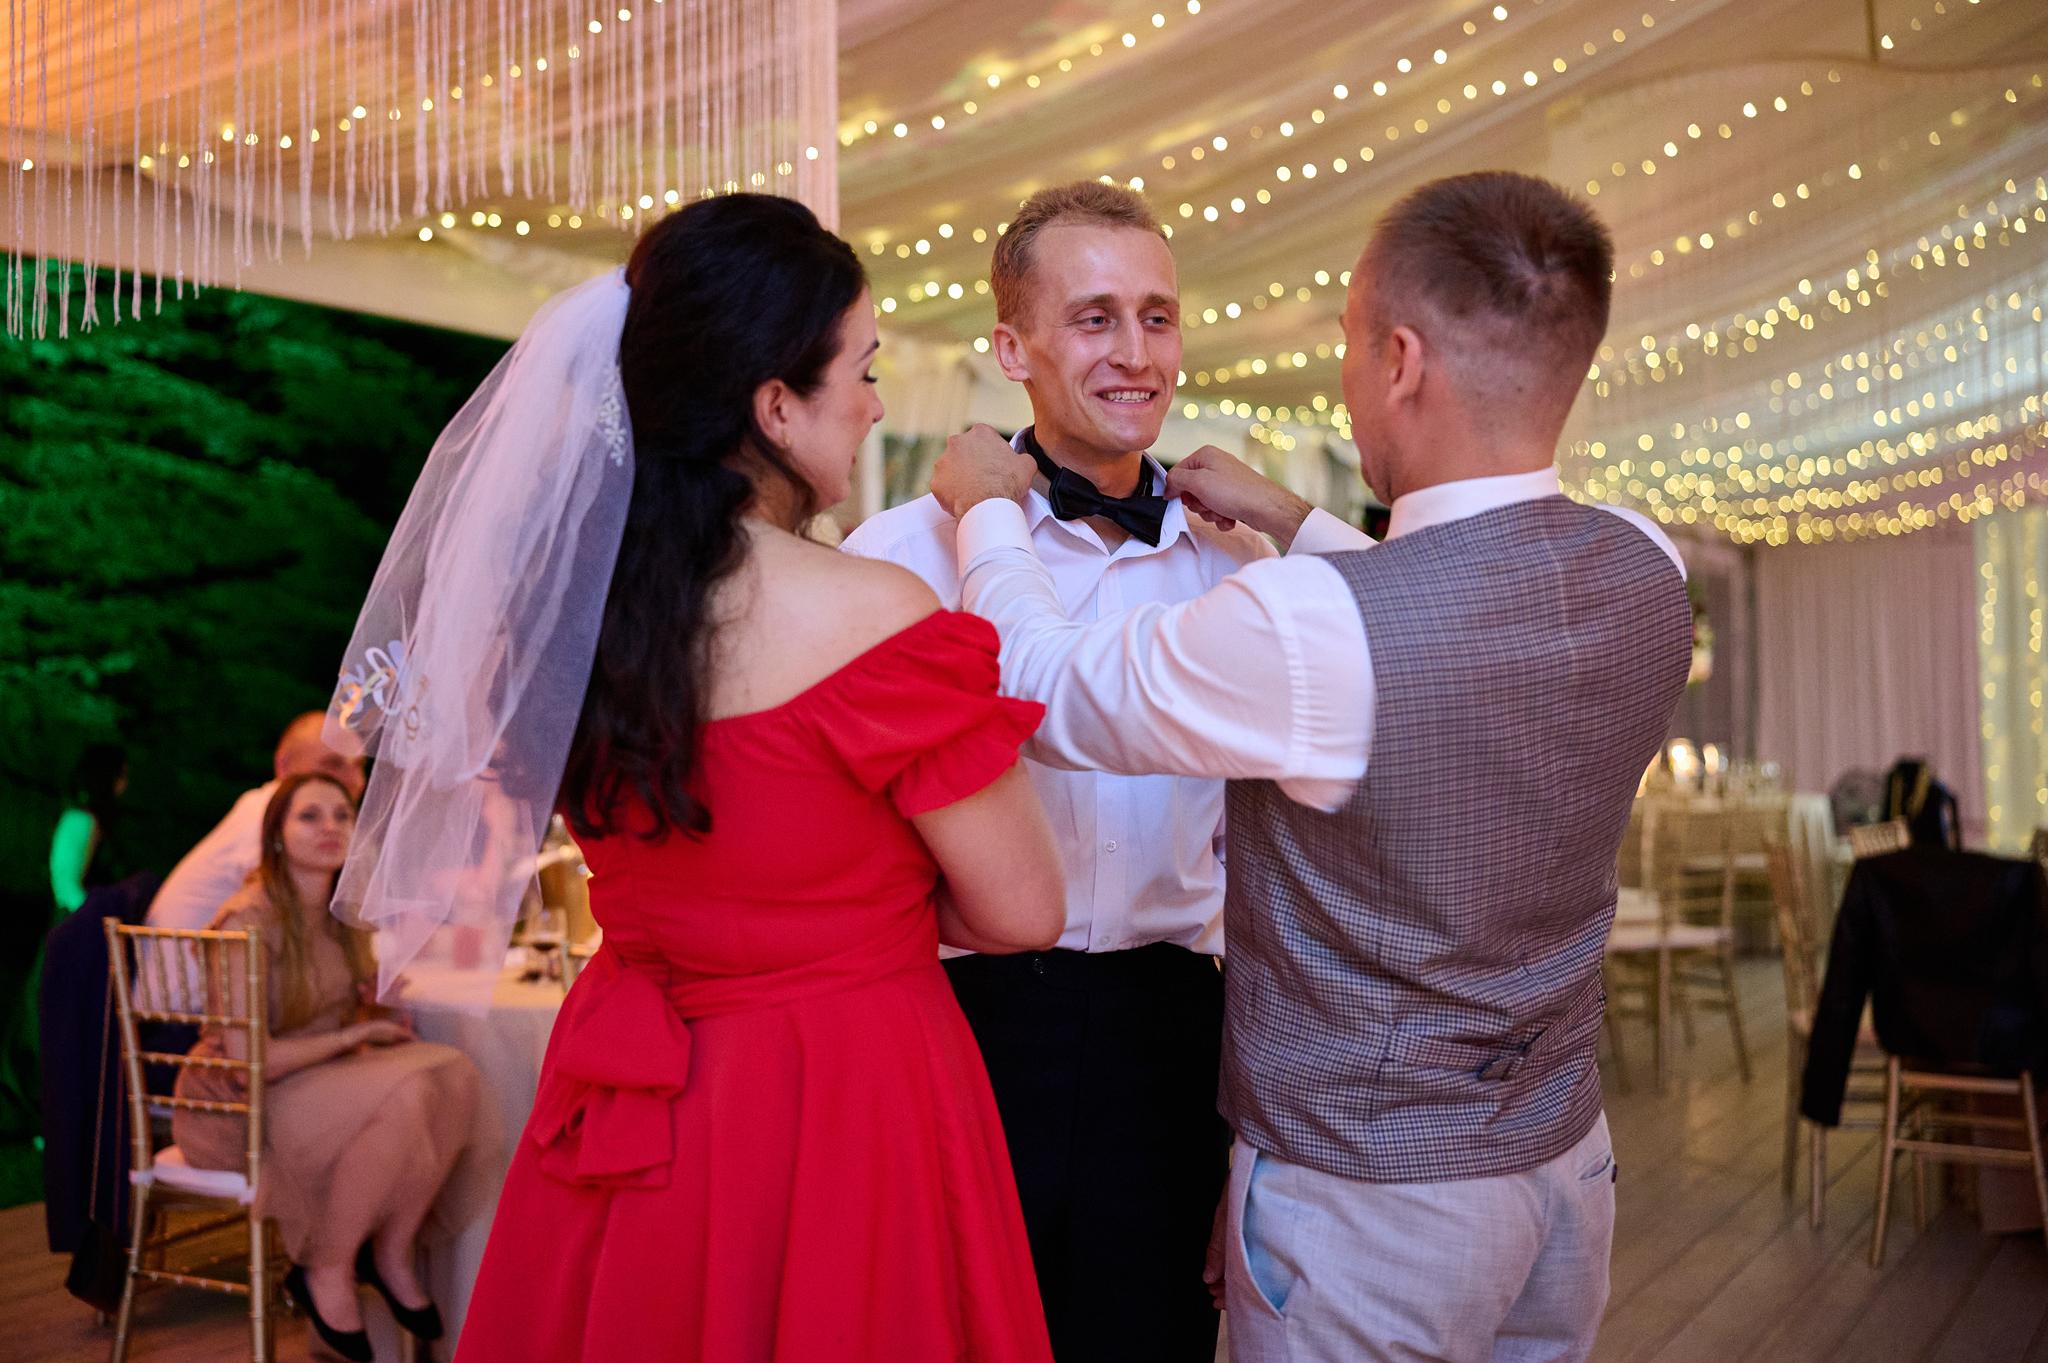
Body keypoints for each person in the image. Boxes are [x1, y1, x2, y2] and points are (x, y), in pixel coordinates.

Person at [929, 171, 1695, 1363]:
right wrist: (1295, 519)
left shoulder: (1300, 618)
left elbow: (1043, 682)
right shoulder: (1643, 564)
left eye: (1345, 342)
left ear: (1399, 360)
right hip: (1563, 1170)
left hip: (1369, 1205)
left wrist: (983, 512)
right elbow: (1446, 607)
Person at [327, 193, 1066, 1363]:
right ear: (775, 405)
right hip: (844, 1087)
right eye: (862, 370)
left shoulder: (565, 631)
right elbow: (1021, 908)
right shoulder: (877, 617)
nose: (875, 404)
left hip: (639, 1091)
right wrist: (854, 922)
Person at [842, 179, 1268, 1362]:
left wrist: (1250, 1139)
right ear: (1009, 348)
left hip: (1171, 1035)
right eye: (1093, 318)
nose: (1135, 352)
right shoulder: (899, 557)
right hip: (957, 1030)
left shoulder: (1238, 564)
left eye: (1155, 316)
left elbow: (1265, 866)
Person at [173, 773, 483, 1362]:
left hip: (314, 1079)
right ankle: (328, 1268)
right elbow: (251, 1060)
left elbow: (336, 1009)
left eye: (342, 815)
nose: (331, 828)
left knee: (456, 1076)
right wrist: (356, 1034)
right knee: (408, 1095)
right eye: (310, 816)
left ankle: (389, 1251)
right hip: (238, 1104)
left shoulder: (343, 916)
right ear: (277, 835)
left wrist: (375, 1008)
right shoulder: (247, 919)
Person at [149, 713, 368, 933]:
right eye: (333, 764)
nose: (354, 780)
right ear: (284, 765)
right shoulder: (268, 813)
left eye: (359, 766)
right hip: (198, 952)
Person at [48, 742, 128, 915]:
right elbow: (65, 886)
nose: (124, 784)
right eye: (121, 775)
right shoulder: (78, 820)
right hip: (78, 922)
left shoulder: (98, 821)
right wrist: (91, 915)